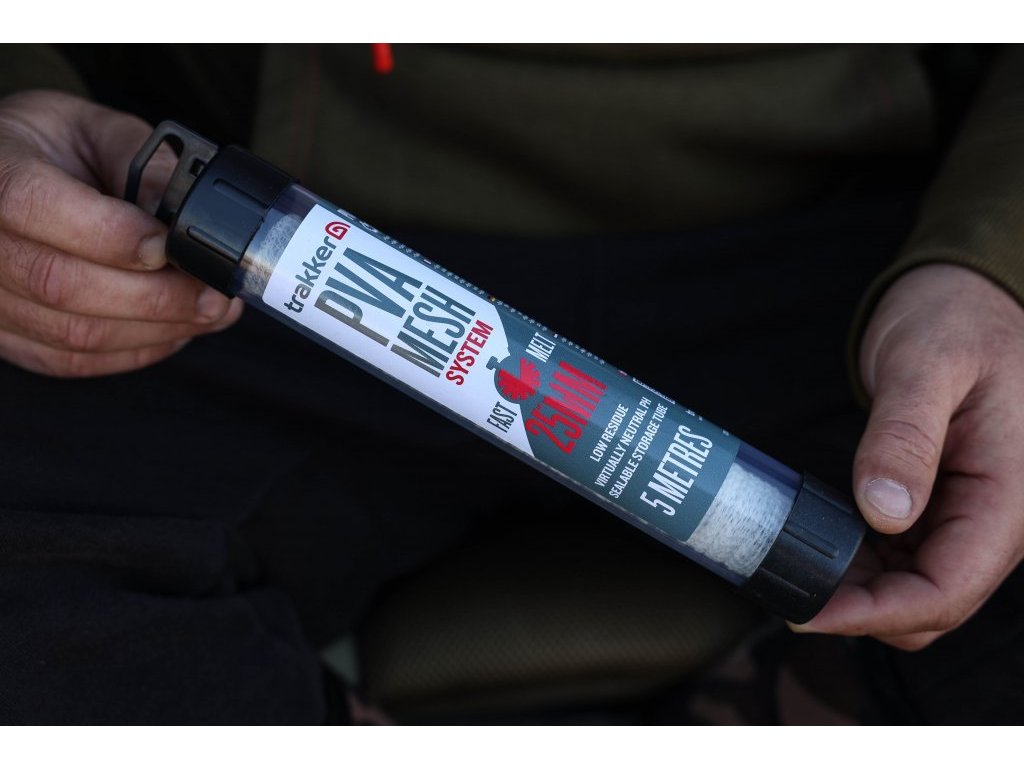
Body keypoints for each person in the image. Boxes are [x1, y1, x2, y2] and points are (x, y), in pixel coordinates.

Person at [1, 44, 1022, 723]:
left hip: (843, 253)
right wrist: (20, 112)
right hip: (290, 268)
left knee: (979, 515)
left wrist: (991, 260)